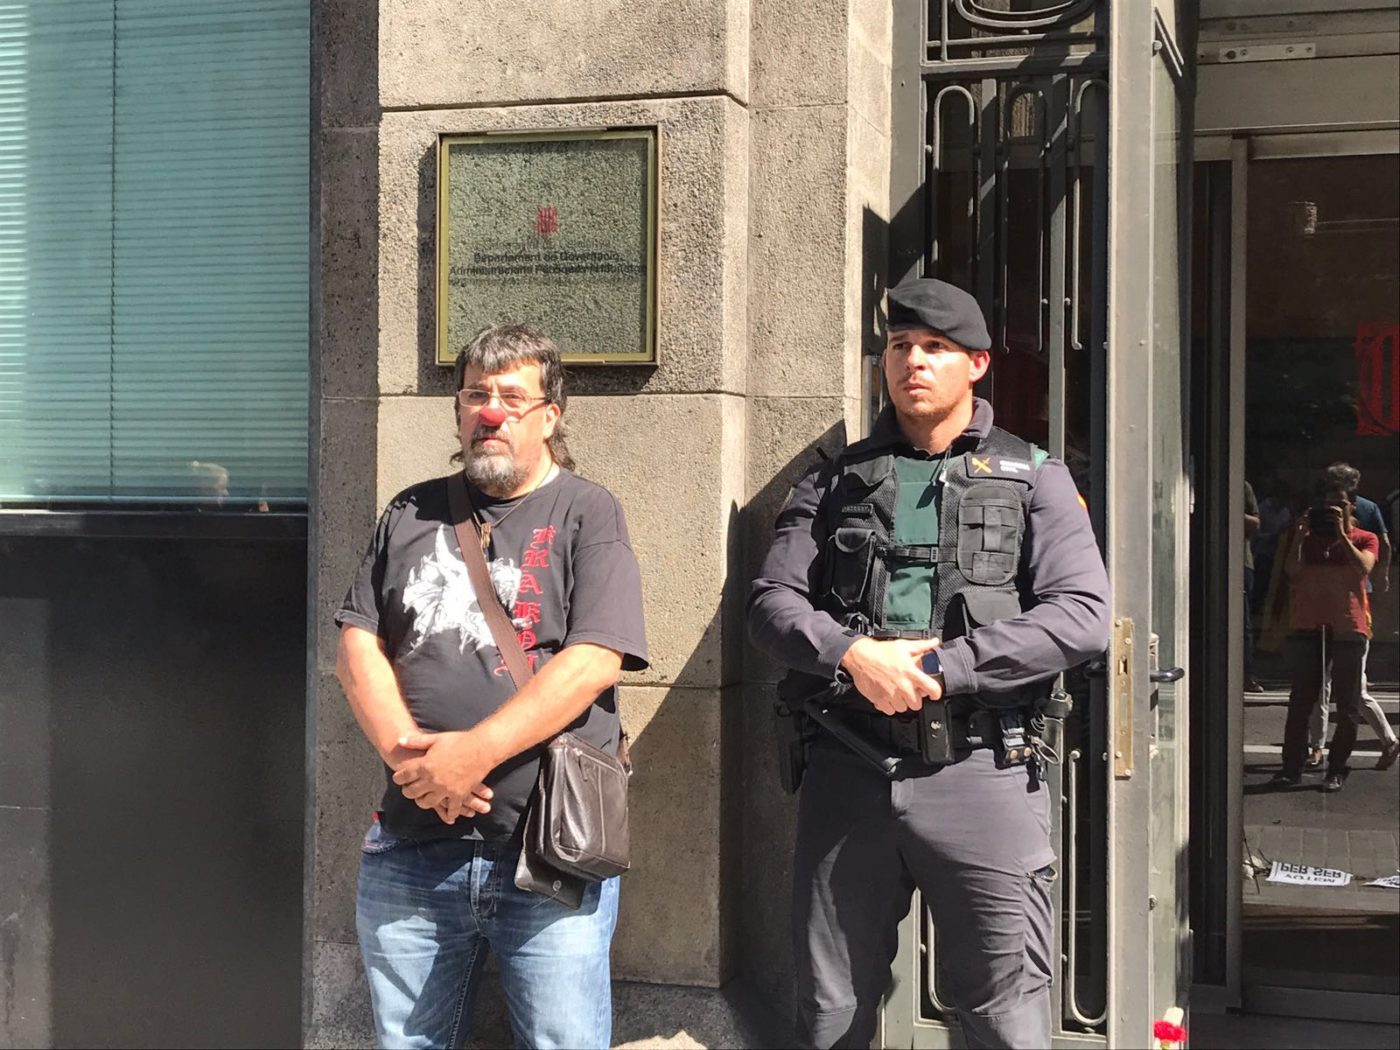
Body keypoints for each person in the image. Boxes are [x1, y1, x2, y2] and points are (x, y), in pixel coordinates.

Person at [748, 278, 1110, 1050]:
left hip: (982, 769)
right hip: (849, 768)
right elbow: (771, 604)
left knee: (1003, 1015)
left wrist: (950, 665)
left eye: (936, 348)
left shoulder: (1034, 476)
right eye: (900, 346)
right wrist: (853, 655)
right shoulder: (833, 479)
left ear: (977, 364)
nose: (913, 361)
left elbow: (1082, 616)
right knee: (831, 1013)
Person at [334, 323, 648, 1049]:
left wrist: (471, 756)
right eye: (477, 395)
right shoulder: (410, 512)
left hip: (547, 851)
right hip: (413, 848)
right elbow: (357, 648)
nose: (492, 412)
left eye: (512, 397)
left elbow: (595, 658)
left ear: (550, 415)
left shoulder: (587, 512)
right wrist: (415, 766)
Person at [1273, 483, 1379, 792]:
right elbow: (1292, 571)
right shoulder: (1307, 538)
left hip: (1349, 626)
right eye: (1327, 505)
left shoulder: (1365, 538)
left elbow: (1362, 569)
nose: (1332, 510)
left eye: (1339, 505)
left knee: (1347, 705)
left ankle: (1337, 769)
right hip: (1309, 625)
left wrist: (1342, 534)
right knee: (1300, 701)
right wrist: (1300, 535)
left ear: (1352, 507)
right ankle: (1291, 768)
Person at [1305, 462, 1398, 771]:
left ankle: (1319, 746)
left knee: (1347, 686)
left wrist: (1379, 573)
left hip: (1351, 602)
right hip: (1328, 604)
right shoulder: (1326, 510)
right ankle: (1317, 745)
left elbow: (1378, 544)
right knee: (1330, 683)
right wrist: (1382, 575)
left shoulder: (1362, 510)